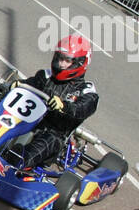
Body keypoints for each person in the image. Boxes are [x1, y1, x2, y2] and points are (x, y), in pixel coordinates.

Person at [17, 35, 98, 169]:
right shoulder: (46, 76)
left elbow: (82, 108)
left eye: (67, 60)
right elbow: (30, 85)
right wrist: (18, 85)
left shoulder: (87, 91)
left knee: (45, 143)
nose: (61, 64)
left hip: (54, 134)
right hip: (29, 118)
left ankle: (17, 162)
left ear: (80, 63)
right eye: (60, 58)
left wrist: (64, 106)